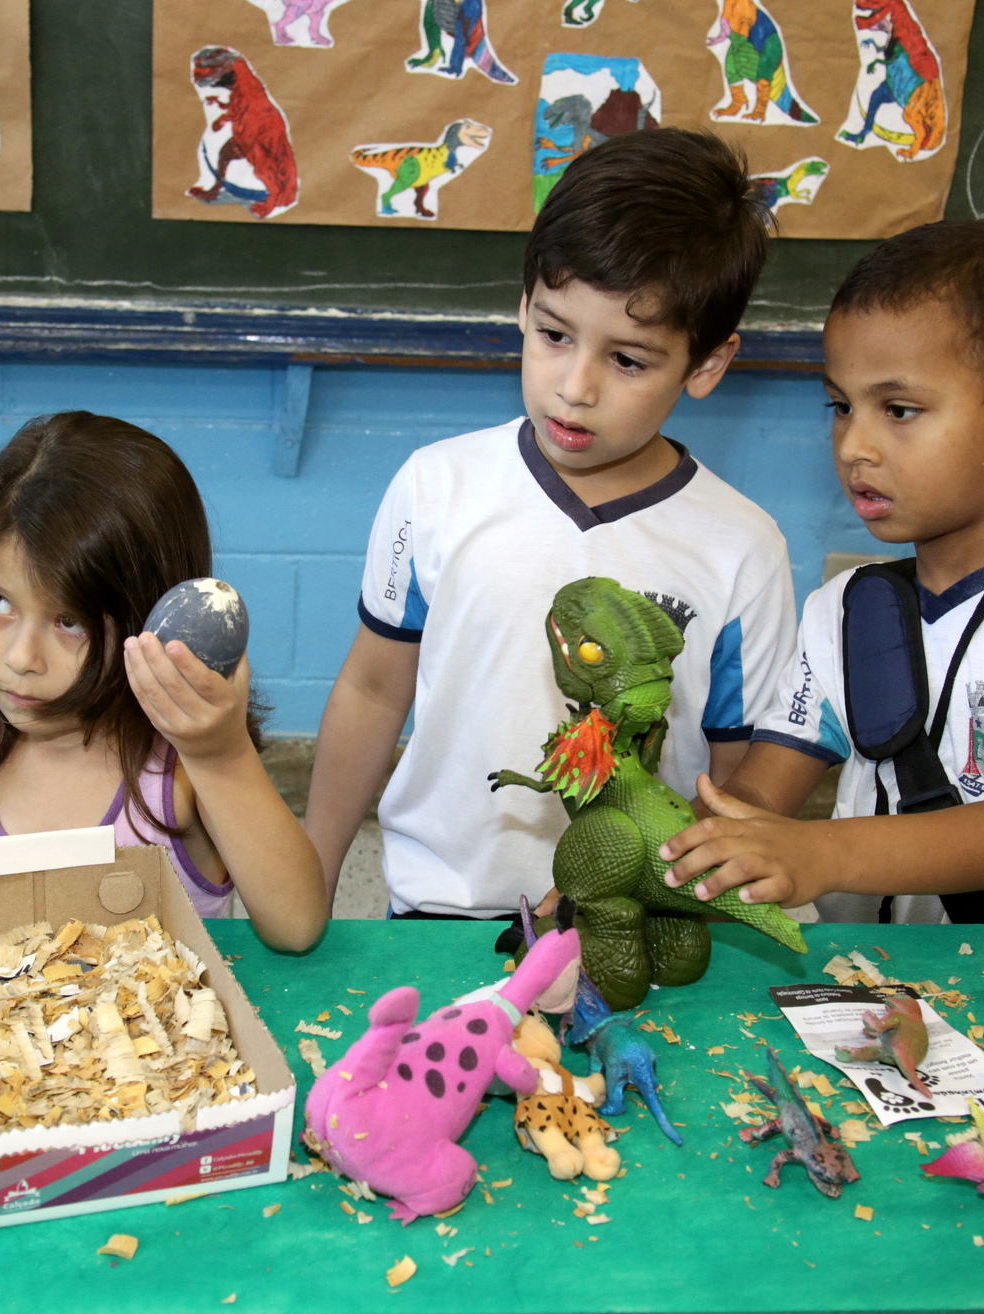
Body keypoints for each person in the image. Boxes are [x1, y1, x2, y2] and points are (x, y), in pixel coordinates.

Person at [304, 128, 797, 920]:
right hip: (440, 914)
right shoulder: (436, 485)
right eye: (554, 333)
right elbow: (370, 689)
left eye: (628, 360)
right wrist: (312, 876)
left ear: (706, 364)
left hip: (633, 922)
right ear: (524, 304)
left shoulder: (744, 548)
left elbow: (737, 776)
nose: (575, 386)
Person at [661, 222, 984, 925]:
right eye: (841, 406)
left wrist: (820, 854)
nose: (855, 445)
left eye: (899, 409)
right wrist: (645, 865)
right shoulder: (843, 608)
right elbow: (754, 799)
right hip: (857, 994)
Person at [0, 411, 328, 951]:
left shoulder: (177, 773)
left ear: (151, 618)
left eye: (68, 620)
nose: (21, 658)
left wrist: (221, 755)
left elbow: (297, 927)